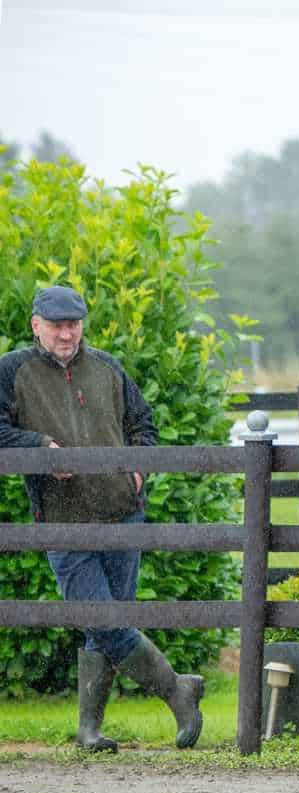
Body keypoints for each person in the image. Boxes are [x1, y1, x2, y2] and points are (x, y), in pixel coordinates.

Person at [0, 286, 203, 752]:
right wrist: (40, 448)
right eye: (57, 325)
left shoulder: (108, 366)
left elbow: (143, 425)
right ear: (36, 325)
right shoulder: (12, 371)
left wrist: (138, 469)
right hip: (62, 519)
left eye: (73, 324)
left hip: (122, 513)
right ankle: (177, 690)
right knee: (101, 617)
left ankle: (90, 730)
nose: (66, 334)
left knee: (109, 623)